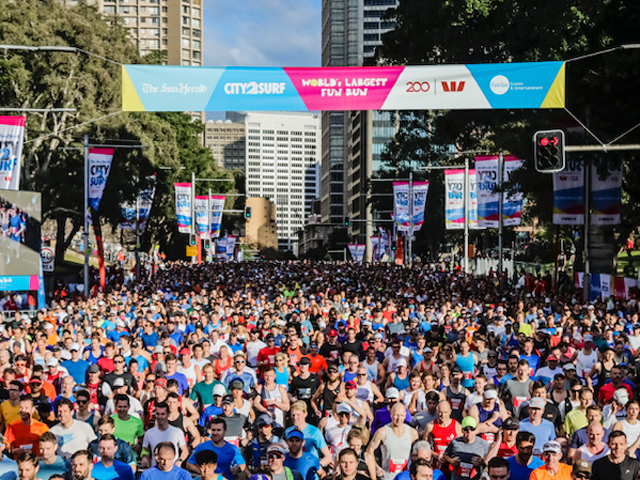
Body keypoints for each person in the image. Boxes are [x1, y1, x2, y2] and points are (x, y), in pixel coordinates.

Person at [365, 403, 419, 480]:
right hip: (387, 477)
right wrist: (376, 467)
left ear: (405, 415)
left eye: (401, 415)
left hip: (406, 477)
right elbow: (368, 451)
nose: (399, 418)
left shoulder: (412, 433)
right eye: (396, 415)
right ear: (391, 414)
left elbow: (417, 454)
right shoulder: (382, 432)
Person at [141, 402, 188, 468]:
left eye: (163, 414)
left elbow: (185, 451)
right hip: (155, 471)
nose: (160, 417)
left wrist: (179, 461)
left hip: (172, 470)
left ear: (168, 414)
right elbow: (145, 451)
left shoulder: (177, 432)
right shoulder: (149, 433)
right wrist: (145, 458)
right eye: (158, 414)